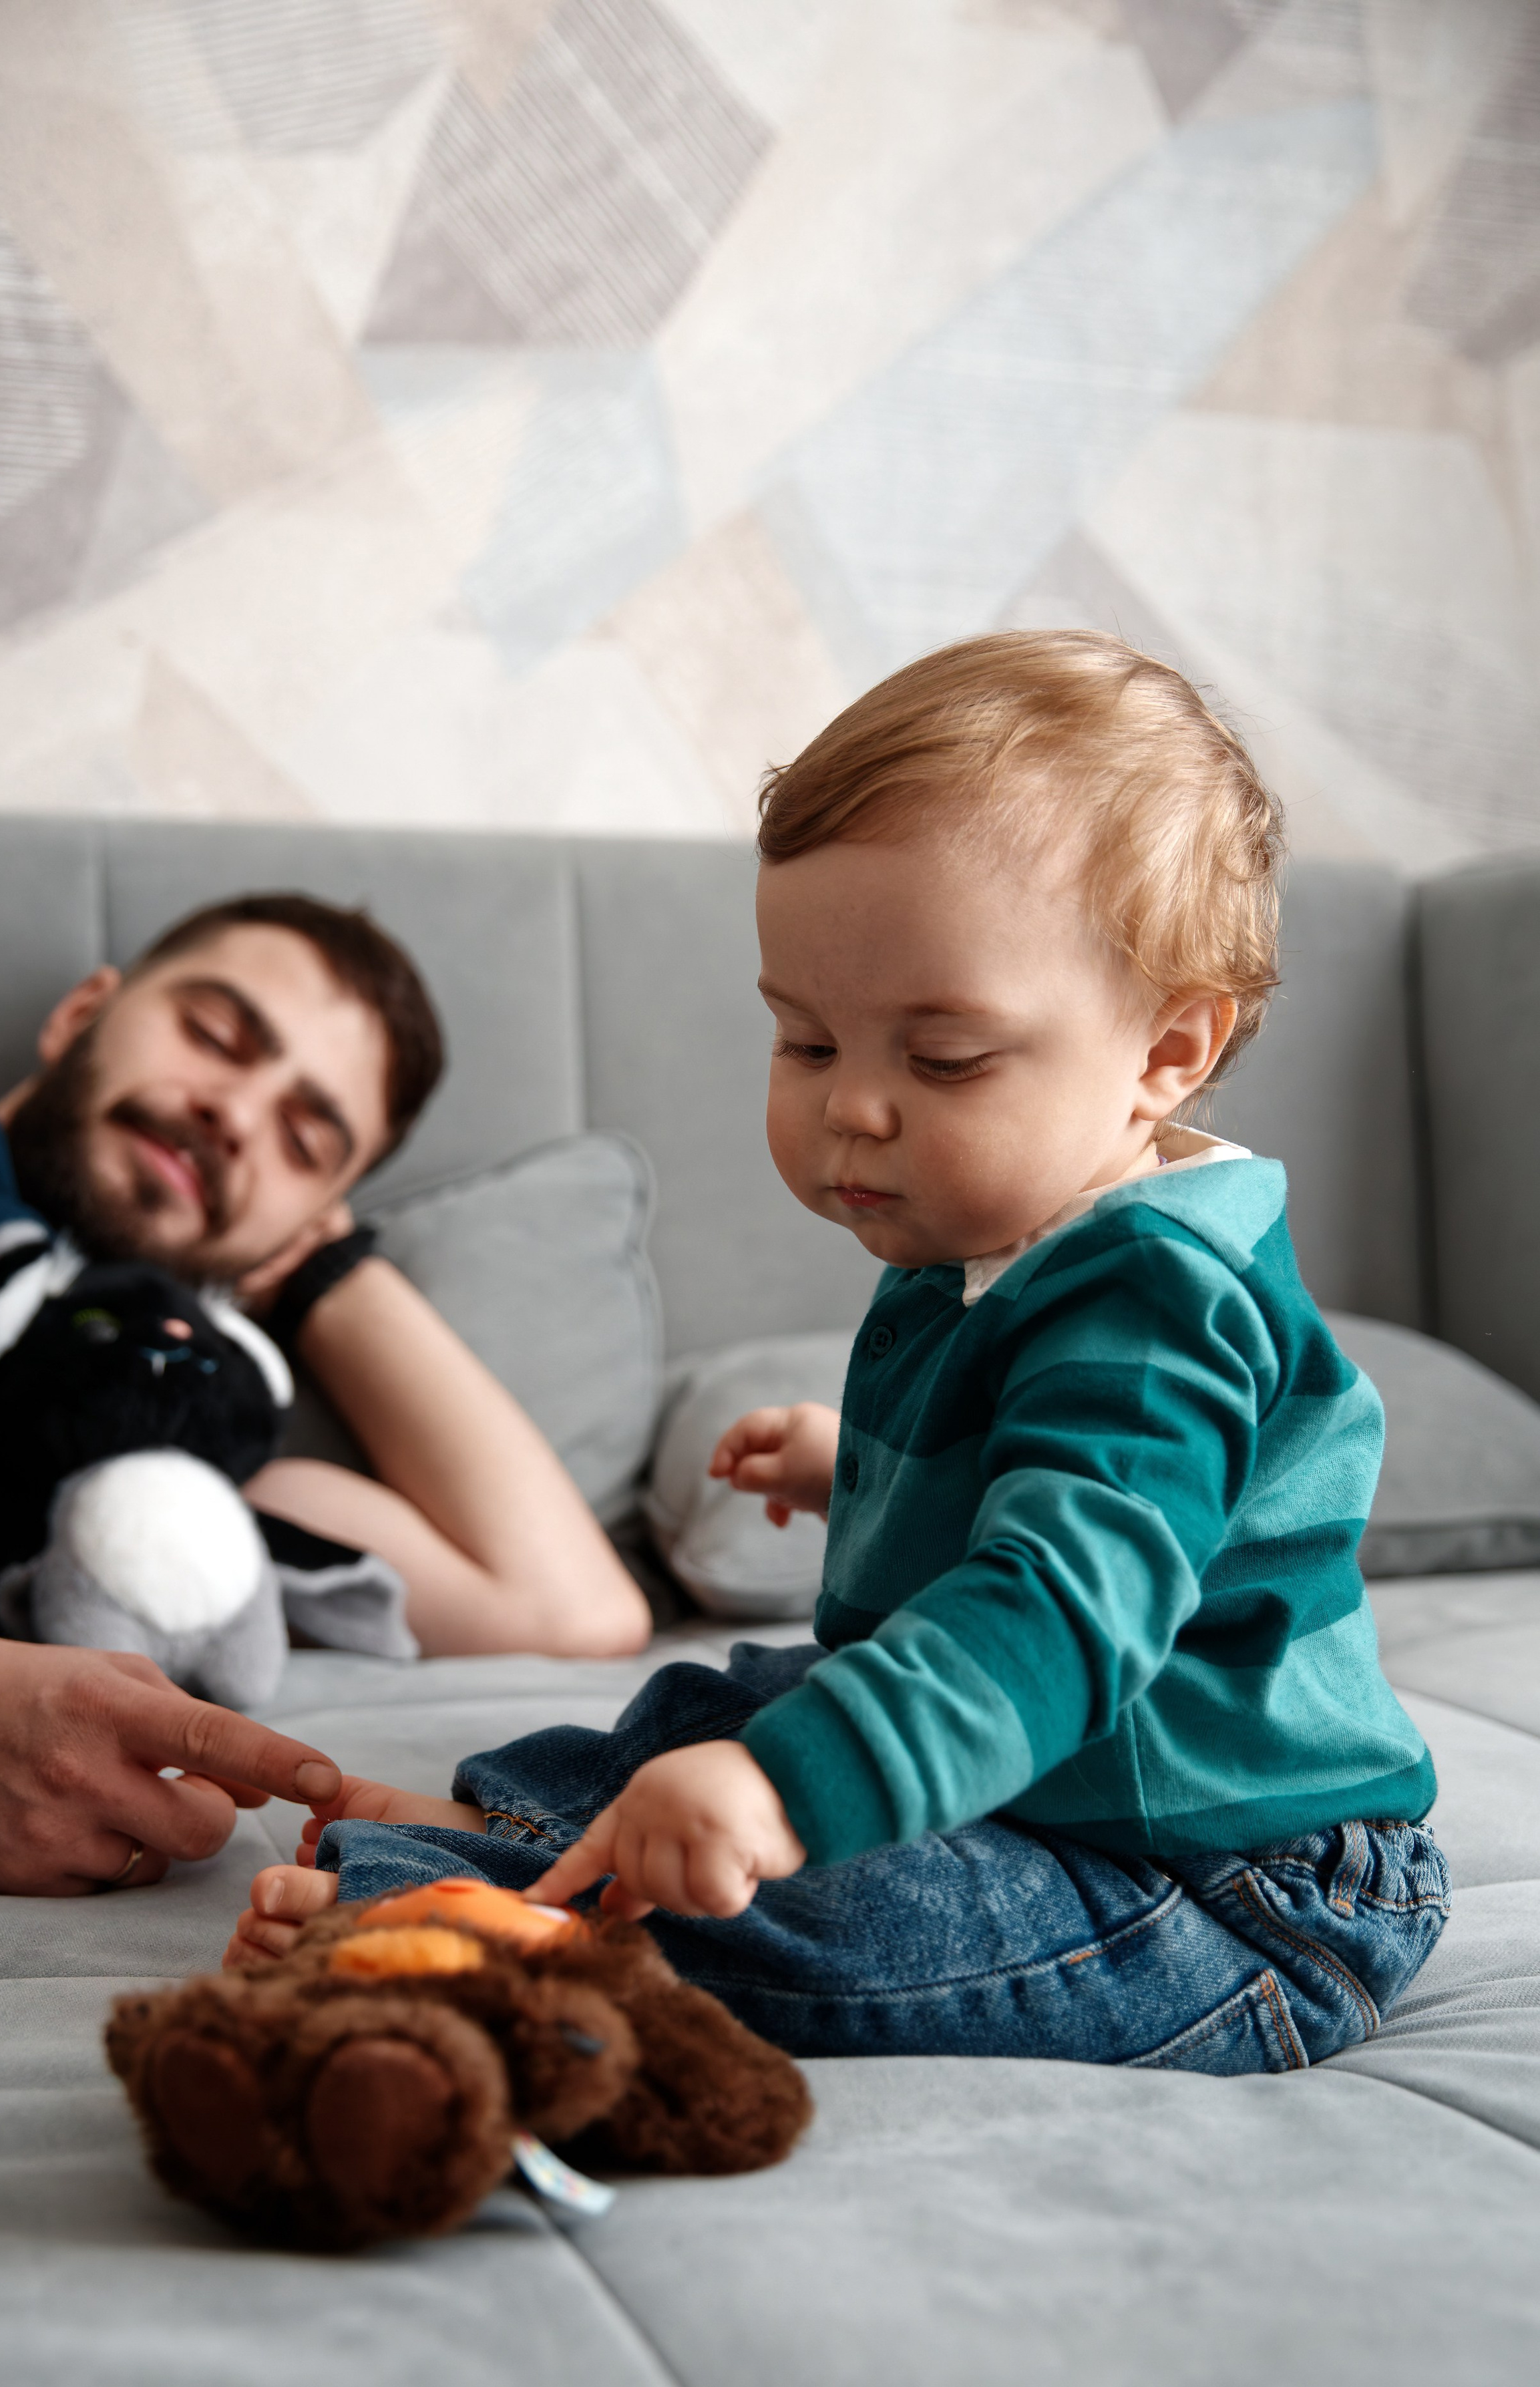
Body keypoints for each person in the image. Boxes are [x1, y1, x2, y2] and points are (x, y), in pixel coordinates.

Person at [228, 632, 1449, 2076]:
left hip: (1221, 1888)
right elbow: (1029, 1473)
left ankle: (490, 1918)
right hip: (1061, 1788)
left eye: (939, 1059)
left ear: (1165, 1053)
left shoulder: (1153, 1306)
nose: (852, 1110)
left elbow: (1054, 1610)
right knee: (723, 1704)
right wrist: (853, 1466)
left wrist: (779, 1793)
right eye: (805, 1043)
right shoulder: (993, 1227)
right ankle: (535, 1832)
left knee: (841, 1878)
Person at [0, 891, 648, 1897]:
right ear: (82, 1013)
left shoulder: (151, 1465)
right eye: (216, 1037)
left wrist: (327, 1276)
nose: (233, 1117)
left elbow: (573, 1611)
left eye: (305, 1143)